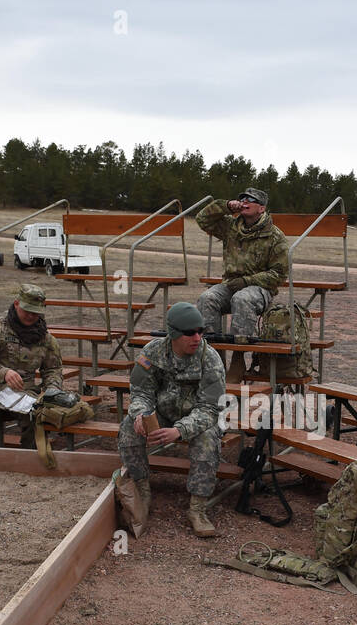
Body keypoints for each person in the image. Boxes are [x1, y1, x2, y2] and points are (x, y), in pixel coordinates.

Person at [119, 302, 225, 537]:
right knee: (128, 428)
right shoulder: (152, 352)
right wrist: (140, 415)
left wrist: (179, 430)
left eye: (201, 331)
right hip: (164, 414)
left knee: (208, 439)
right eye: (190, 333)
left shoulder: (210, 359)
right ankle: (142, 493)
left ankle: (197, 508)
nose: (197, 337)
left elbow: (209, 409)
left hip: (198, 419)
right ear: (174, 334)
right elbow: (141, 392)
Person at [194, 188, 289, 383]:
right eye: (242, 198)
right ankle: (213, 361)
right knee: (207, 298)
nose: (244, 201)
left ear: (261, 208)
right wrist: (226, 206)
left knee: (242, 298)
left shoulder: (274, 236)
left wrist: (247, 281)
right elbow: (202, 219)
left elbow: (278, 274)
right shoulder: (231, 226)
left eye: (250, 200)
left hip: (260, 289)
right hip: (230, 284)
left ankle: (238, 359)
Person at [0, 284, 65, 447]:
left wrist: (52, 390)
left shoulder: (45, 338)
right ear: (16, 304)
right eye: (27, 310)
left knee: (39, 422)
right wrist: (3, 372)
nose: (31, 316)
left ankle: (29, 465)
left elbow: (53, 369)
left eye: (35, 312)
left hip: (25, 393)